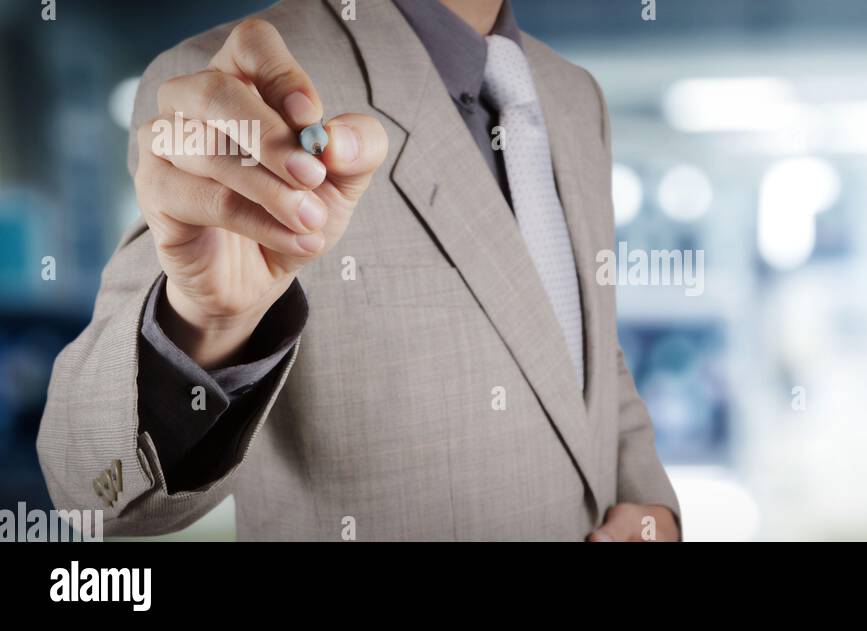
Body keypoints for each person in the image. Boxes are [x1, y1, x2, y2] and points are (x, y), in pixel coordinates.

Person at [36, 0, 680, 541]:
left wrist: (650, 505)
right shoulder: (237, 91)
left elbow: (593, 354)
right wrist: (205, 323)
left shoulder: (575, 96)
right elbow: (85, 486)